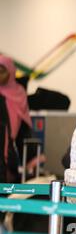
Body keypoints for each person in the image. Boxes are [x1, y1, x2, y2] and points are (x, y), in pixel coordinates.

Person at [0, 55, 33, 184]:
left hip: (8, 155)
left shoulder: (19, 93)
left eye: (2, 71)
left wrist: (32, 159)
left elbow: (24, 130)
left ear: (10, 71)